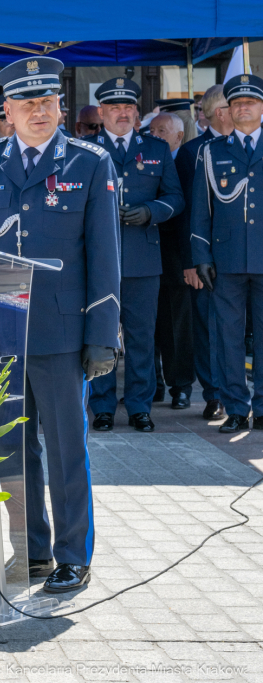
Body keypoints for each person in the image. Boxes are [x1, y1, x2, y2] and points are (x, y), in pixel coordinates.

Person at [0, 57, 121, 592]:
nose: (39, 112)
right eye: (27, 103)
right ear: (7, 111)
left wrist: (102, 335)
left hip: (60, 330)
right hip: (1, 328)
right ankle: (29, 550)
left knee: (67, 447)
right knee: (12, 448)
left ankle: (74, 553)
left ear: (60, 107)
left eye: (47, 102)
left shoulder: (89, 163)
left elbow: (104, 255)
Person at [82, 78, 183, 434]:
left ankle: (140, 406)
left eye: (127, 108)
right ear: (102, 113)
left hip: (143, 258)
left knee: (142, 337)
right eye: (114, 108)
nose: (122, 114)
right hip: (99, 260)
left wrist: (151, 211)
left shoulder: (155, 149)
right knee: (102, 333)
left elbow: (176, 198)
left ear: (137, 113)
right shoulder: (86, 150)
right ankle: (103, 407)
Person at [190, 74, 263, 433]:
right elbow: (201, 211)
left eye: (250, 102)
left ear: (262, 107)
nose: (243, 108)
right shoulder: (211, 151)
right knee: (227, 338)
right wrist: (200, 255)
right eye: (236, 104)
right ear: (228, 112)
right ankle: (236, 407)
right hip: (226, 261)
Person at [175, 84, 232, 421]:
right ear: (220, 111)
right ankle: (214, 395)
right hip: (205, 259)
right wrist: (190, 261)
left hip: (243, 257)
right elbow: (185, 212)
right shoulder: (191, 152)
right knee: (208, 328)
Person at [149, 111, 196, 410]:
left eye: (162, 131)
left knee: (177, 325)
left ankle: (181, 386)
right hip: (145, 253)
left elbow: (191, 215)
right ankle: (152, 384)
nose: (155, 136)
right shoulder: (146, 159)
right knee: (146, 325)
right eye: (151, 130)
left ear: (179, 137)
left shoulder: (186, 162)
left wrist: (190, 261)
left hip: (176, 255)